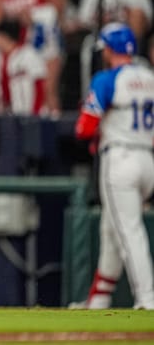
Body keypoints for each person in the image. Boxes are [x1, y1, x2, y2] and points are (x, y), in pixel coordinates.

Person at [74, 23, 154, 310]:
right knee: (111, 229)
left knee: (129, 231)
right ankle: (99, 298)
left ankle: (147, 299)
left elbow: (84, 127)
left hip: (120, 158)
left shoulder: (107, 79)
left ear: (109, 50)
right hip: (148, 159)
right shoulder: (149, 76)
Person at [76, 0, 152, 97]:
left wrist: (125, 16)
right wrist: (102, 19)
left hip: (129, 42)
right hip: (101, 40)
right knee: (89, 48)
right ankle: (91, 96)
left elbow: (146, 23)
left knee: (136, 14)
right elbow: (82, 20)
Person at [0, 19, 48, 116]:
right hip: (9, 114)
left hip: (30, 113)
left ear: (5, 37)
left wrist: (35, 114)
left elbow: (40, 84)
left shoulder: (28, 54)